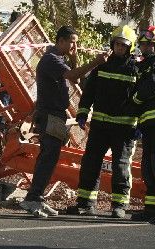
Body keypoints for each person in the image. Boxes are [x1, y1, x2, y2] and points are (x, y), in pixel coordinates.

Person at [19, 26, 110, 218]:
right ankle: (32, 198)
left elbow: (75, 79)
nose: (74, 45)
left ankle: (37, 198)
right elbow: (73, 76)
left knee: (50, 157)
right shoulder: (51, 59)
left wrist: (75, 59)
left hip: (56, 114)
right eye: (71, 41)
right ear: (60, 41)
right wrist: (96, 62)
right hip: (50, 114)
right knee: (48, 156)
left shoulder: (59, 59)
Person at [66, 25, 138, 218]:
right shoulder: (102, 66)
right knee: (90, 162)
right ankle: (86, 203)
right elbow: (89, 92)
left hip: (125, 128)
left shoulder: (135, 70)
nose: (120, 48)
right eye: (117, 44)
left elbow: (141, 98)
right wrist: (82, 113)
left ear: (129, 47)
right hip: (100, 125)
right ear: (112, 44)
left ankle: (119, 206)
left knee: (121, 166)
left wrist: (139, 124)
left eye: (123, 45)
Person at [127, 26, 155, 224]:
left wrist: (136, 100)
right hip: (148, 123)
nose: (145, 47)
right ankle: (152, 209)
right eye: (143, 44)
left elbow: (153, 85)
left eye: (149, 44)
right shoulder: (145, 64)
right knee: (148, 167)